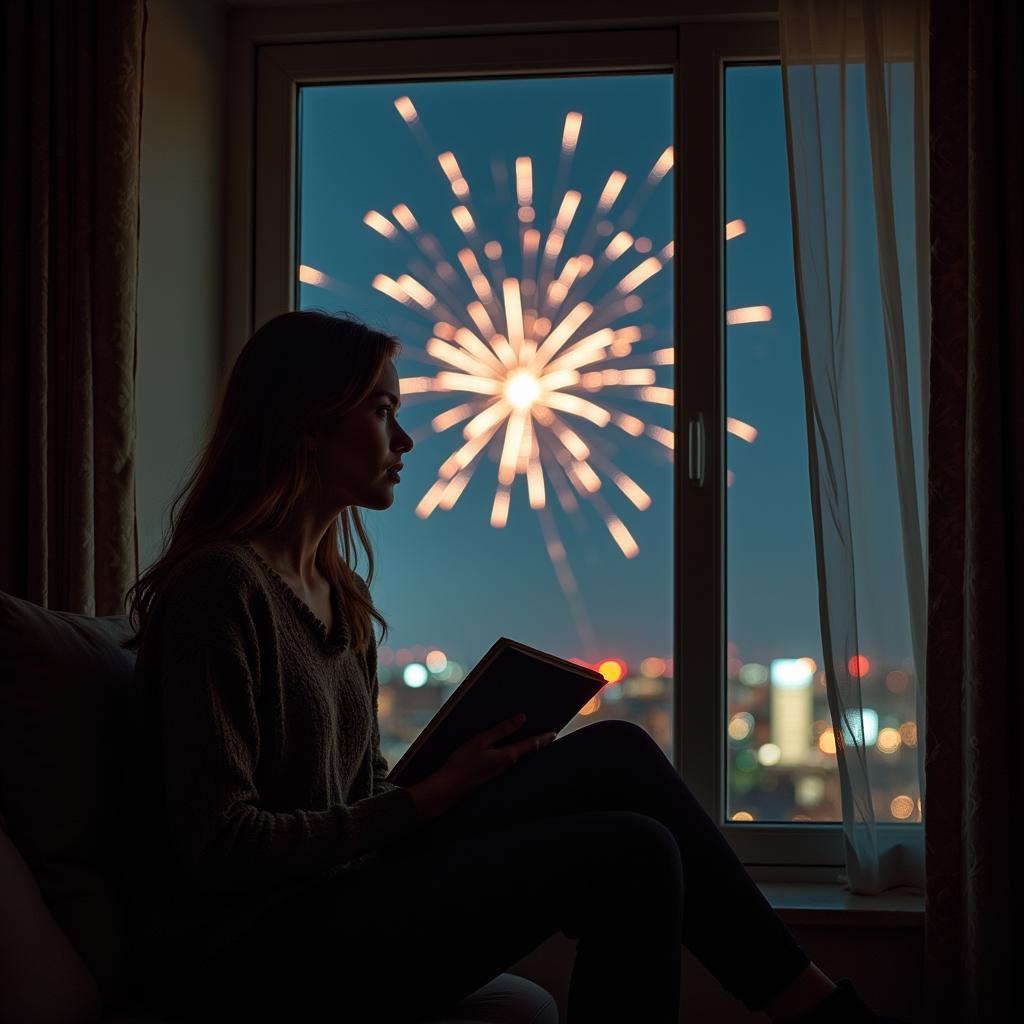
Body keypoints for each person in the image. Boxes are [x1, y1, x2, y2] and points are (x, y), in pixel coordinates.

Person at [118, 310, 902, 1023]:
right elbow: (218, 846)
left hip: (342, 894)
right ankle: (823, 1018)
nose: (406, 442)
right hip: (258, 953)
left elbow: (351, 798)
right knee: (630, 850)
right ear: (309, 426)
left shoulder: (339, 595)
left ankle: (816, 1010)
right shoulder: (219, 590)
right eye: (382, 411)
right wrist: (423, 803)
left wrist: (447, 781)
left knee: (620, 752)